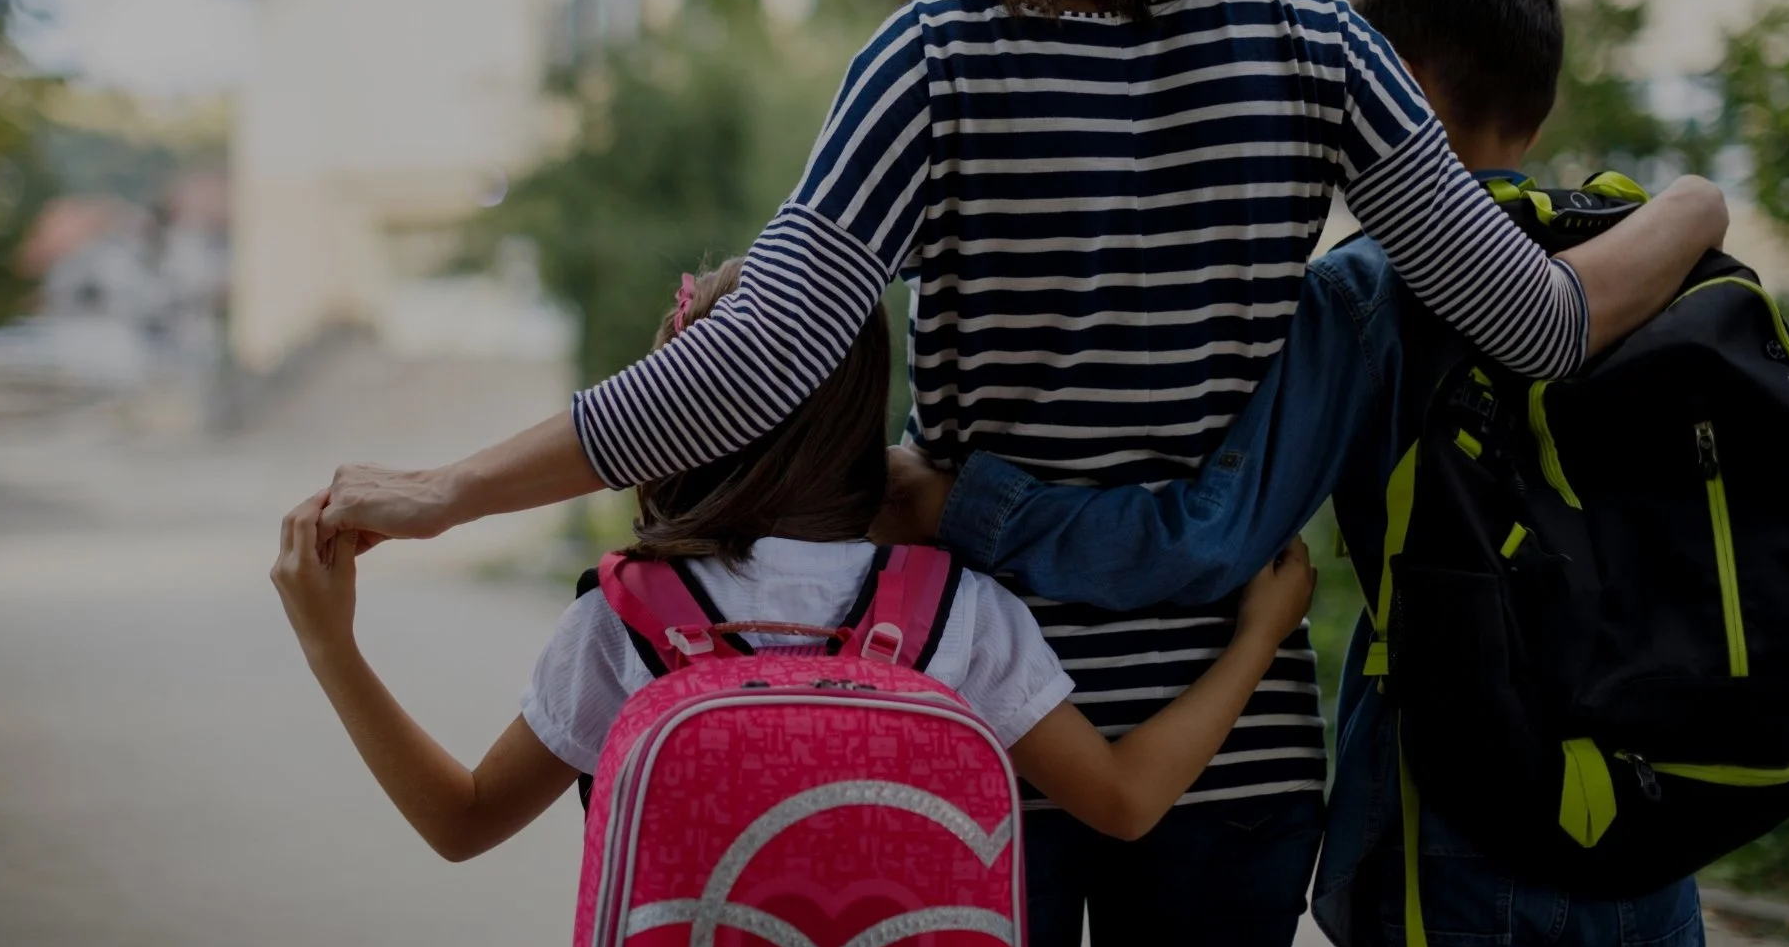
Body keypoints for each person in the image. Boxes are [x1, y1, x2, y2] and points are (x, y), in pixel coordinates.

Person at [312, 0, 1727, 945]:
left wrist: (446, 489)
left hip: (978, 716)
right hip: (1237, 749)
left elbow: (757, 359)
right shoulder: (1319, 44)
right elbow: (1536, 321)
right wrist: (1695, 208)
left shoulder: (934, 56)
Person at [873, 0, 1712, 947]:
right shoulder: (1653, 270)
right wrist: (1696, 203)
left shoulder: (1365, 299)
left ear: (1394, 87)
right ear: (1531, 116)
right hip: (1651, 798)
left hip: (1452, 799)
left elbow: (1208, 535)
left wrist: (958, 502)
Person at [271, 260, 1322, 872]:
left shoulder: (626, 621)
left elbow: (459, 824)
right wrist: (1256, 642)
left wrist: (331, 643)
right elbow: (1126, 803)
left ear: (672, 419)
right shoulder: (954, 612)